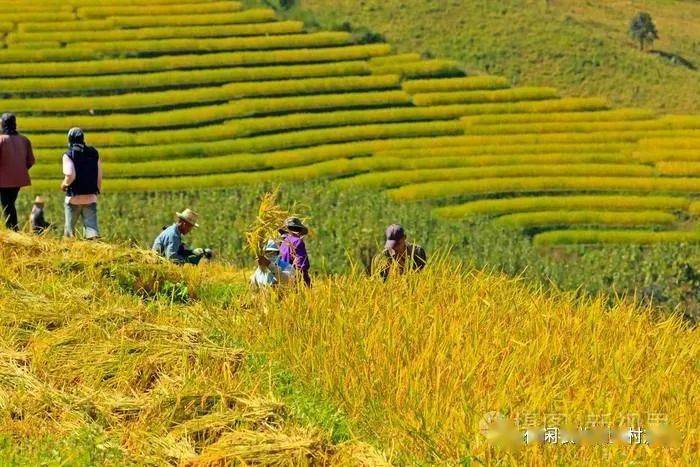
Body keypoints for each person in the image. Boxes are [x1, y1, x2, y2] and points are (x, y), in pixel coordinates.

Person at [61, 127, 101, 239]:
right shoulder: (94, 153)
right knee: (92, 230)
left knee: (69, 230)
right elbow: (99, 174)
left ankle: (68, 252)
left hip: (74, 197)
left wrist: (64, 184)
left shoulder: (69, 155)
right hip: (90, 197)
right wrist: (97, 190)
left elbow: (70, 175)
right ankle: (94, 251)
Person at [0, 113, 35, 231]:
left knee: (7, 205)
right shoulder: (24, 140)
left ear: (2, 124)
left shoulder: (1, 140)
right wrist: (19, 170)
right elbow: (31, 161)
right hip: (18, 180)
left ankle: (13, 231)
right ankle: (13, 230)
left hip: (3, 181)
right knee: (10, 204)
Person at [279, 216, 312, 287]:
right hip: (293, 279)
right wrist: (307, 283)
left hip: (281, 276)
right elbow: (301, 264)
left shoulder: (283, 242)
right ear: (299, 229)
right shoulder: (298, 241)